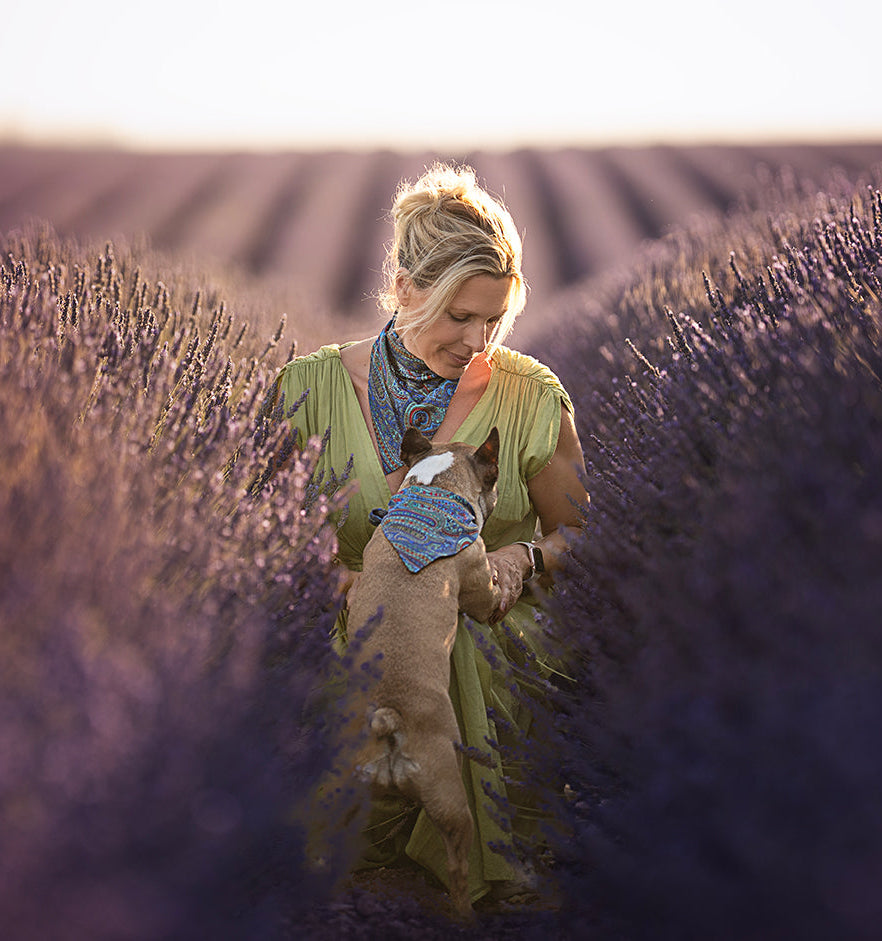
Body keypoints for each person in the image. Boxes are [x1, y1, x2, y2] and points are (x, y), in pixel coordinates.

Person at [274, 163, 588, 905]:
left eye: (494, 318)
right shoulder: (309, 392)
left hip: (487, 638)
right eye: (459, 315)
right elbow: (253, 538)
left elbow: (584, 535)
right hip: (346, 642)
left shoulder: (530, 395)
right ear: (407, 289)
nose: (477, 339)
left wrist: (526, 556)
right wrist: (339, 582)